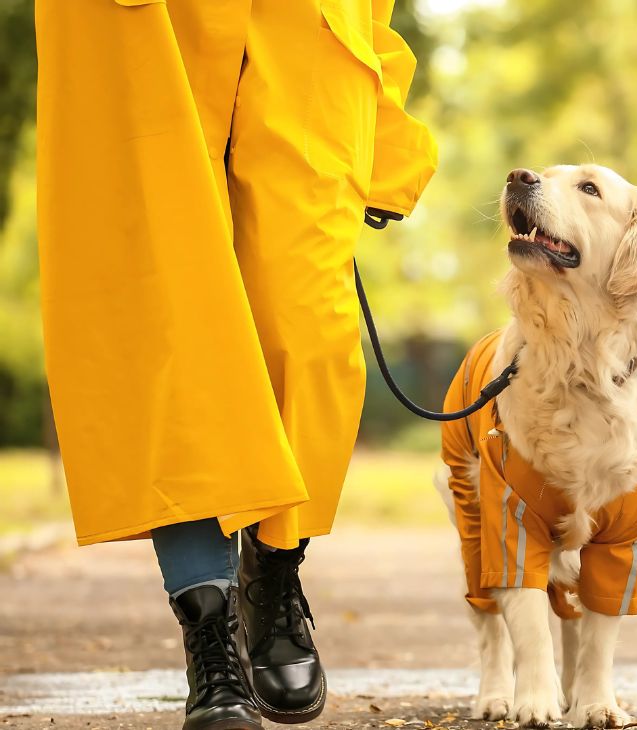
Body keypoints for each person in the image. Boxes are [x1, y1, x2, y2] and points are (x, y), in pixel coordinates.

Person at [34, 2, 437, 728]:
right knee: (174, 339)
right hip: (149, 33)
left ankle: (273, 571)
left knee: (308, 332)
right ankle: (208, 633)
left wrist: (387, 136)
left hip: (309, 47)